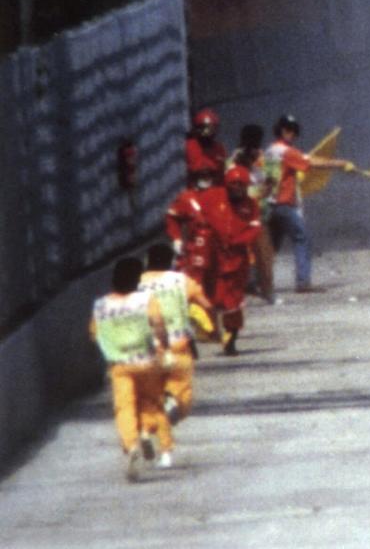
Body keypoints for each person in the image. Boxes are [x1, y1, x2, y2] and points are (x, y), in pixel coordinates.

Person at [89, 257, 173, 480]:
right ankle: (146, 431)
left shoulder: (101, 305)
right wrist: (163, 345)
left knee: (124, 407)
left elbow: (95, 333)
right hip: (146, 361)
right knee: (150, 403)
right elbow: (158, 325)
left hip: (119, 365)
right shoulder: (145, 300)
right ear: (137, 278)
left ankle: (131, 444)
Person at [263, 114, 354, 293]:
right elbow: (311, 162)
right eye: (291, 131)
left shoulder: (270, 151)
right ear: (283, 131)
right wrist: (339, 163)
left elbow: (306, 159)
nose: (294, 135)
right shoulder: (287, 152)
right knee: (301, 238)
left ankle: (257, 282)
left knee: (270, 247)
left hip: (270, 204)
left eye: (295, 131)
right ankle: (303, 282)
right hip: (284, 204)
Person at [139, 243, 214, 426]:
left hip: (147, 346)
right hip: (178, 343)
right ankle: (172, 399)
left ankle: (152, 420)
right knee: (182, 388)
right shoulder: (181, 280)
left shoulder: (137, 282)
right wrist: (212, 328)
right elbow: (206, 305)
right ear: (171, 261)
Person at [201, 165, 262, 355]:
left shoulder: (251, 205)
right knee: (211, 298)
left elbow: (255, 229)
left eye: (242, 185)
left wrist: (237, 241)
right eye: (234, 185)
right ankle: (207, 330)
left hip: (237, 260)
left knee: (233, 302)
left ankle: (231, 336)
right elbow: (195, 213)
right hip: (212, 257)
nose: (238, 189)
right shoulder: (211, 196)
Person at [228, 124, 278, 304]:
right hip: (250, 212)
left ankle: (250, 289)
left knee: (252, 253)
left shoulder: (237, 157)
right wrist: (265, 187)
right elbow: (267, 183)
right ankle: (266, 291)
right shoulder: (253, 157)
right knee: (264, 254)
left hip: (246, 212)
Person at [185, 107, 227, 189]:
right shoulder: (189, 146)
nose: (207, 132)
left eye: (211, 128)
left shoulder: (219, 149)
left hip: (214, 189)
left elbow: (221, 173)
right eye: (203, 128)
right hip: (193, 190)